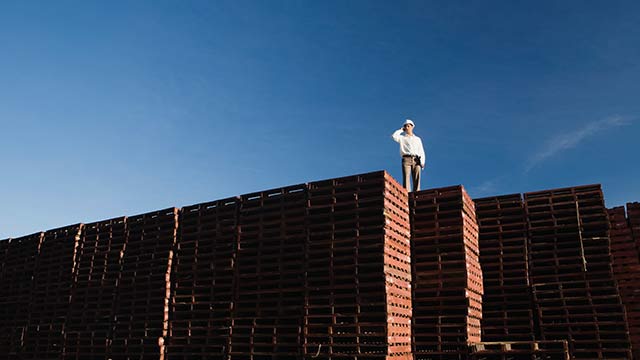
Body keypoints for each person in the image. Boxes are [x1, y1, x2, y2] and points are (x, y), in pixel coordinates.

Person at [391, 119, 426, 192]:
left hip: (417, 159)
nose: (407, 127)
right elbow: (393, 136)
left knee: (417, 178)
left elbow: (421, 150)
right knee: (406, 178)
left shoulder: (417, 139)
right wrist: (401, 130)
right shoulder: (402, 138)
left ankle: (416, 195)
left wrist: (422, 162)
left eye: (408, 126)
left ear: (412, 127)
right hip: (406, 159)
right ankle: (407, 196)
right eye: (405, 126)